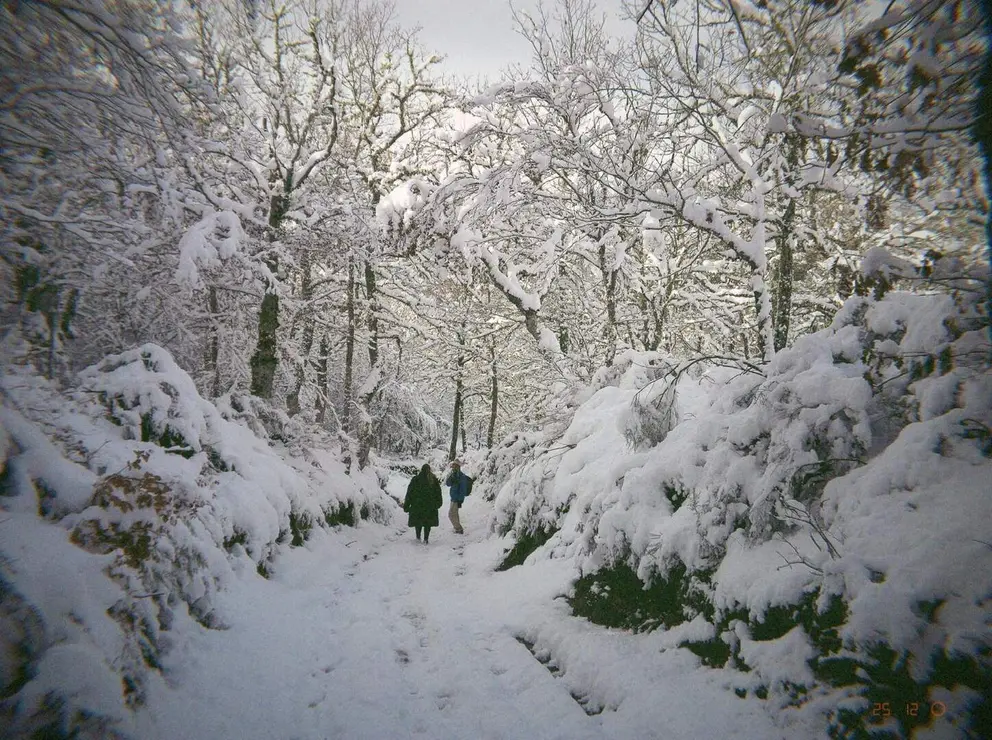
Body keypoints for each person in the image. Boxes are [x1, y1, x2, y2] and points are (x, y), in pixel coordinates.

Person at [403, 463, 443, 544]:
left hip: (417, 505)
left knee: (418, 522)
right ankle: (426, 539)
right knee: (427, 523)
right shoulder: (433, 480)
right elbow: (438, 492)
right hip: (430, 506)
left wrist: (406, 505)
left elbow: (409, 493)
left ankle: (418, 537)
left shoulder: (415, 479)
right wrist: (438, 503)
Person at [444, 459, 469, 534]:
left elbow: (463, 490)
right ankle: (457, 528)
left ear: (458, 466)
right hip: (453, 497)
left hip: (456, 499)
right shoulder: (453, 475)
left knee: (451, 515)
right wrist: (451, 476)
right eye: (453, 465)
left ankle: (458, 528)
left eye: (454, 465)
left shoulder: (462, 476)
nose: (453, 467)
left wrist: (460, 500)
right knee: (455, 514)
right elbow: (448, 484)